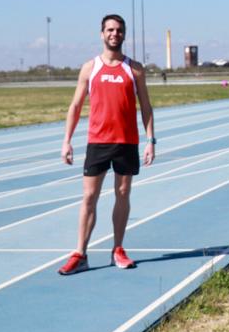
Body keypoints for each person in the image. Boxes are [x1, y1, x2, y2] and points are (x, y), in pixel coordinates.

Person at [58, 14, 156, 275]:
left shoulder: (134, 69)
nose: (115, 34)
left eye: (119, 30)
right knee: (89, 197)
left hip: (126, 142)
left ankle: (118, 249)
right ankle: (80, 253)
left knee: (123, 194)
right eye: (110, 30)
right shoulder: (90, 68)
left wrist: (150, 140)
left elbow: (145, 106)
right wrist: (66, 141)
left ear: (124, 35)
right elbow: (76, 106)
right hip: (98, 142)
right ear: (102, 34)